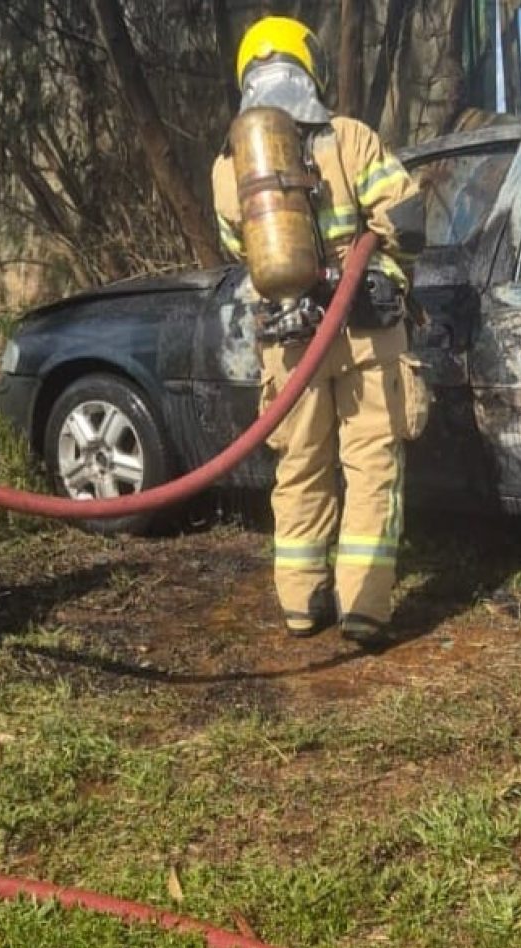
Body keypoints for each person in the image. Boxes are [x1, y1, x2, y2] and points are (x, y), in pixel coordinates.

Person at [211, 15, 427, 647]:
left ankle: (303, 607)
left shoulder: (229, 165)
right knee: (370, 467)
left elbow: (235, 247)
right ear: (310, 67)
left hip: (288, 342)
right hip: (365, 336)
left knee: (300, 468)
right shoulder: (350, 138)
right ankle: (363, 610)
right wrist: (377, 264)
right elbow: (407, 221)